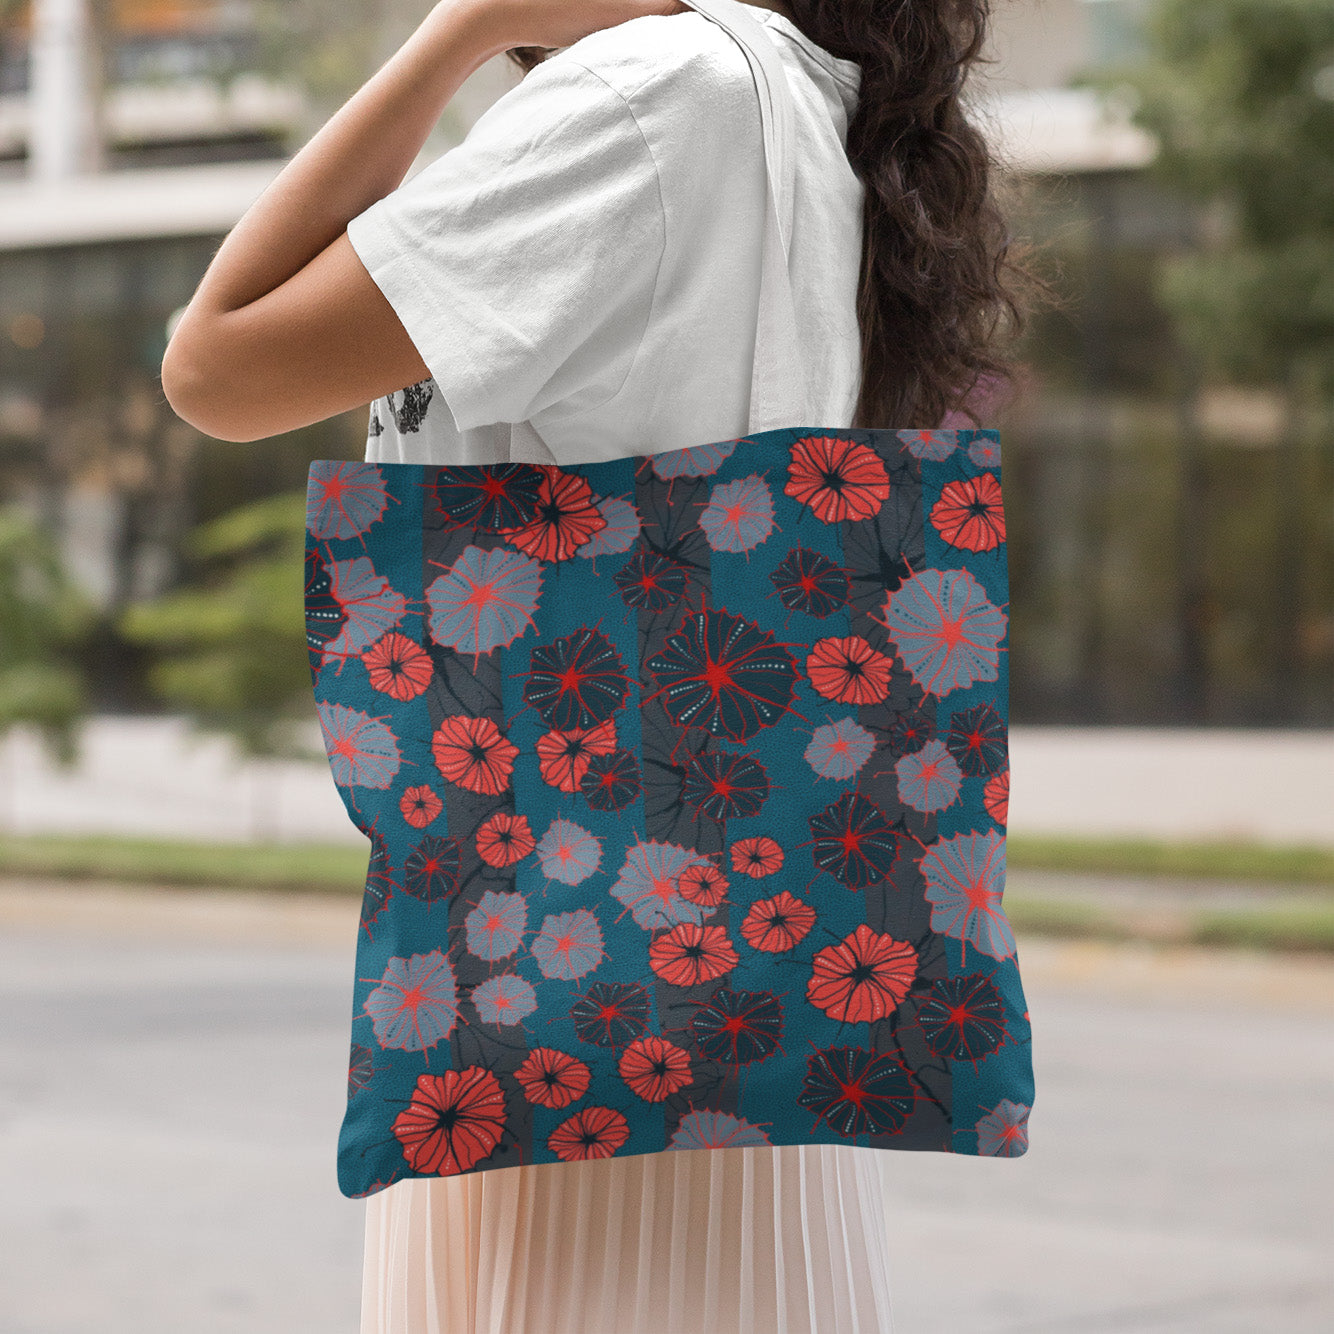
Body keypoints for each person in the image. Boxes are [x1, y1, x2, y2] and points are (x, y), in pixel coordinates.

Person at [162, 1, 1047, 1329]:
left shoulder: (654, 92)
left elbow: (216, 362)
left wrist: (459, 32)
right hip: (734, 1031)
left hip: (574, 1050)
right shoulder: (794, 89)